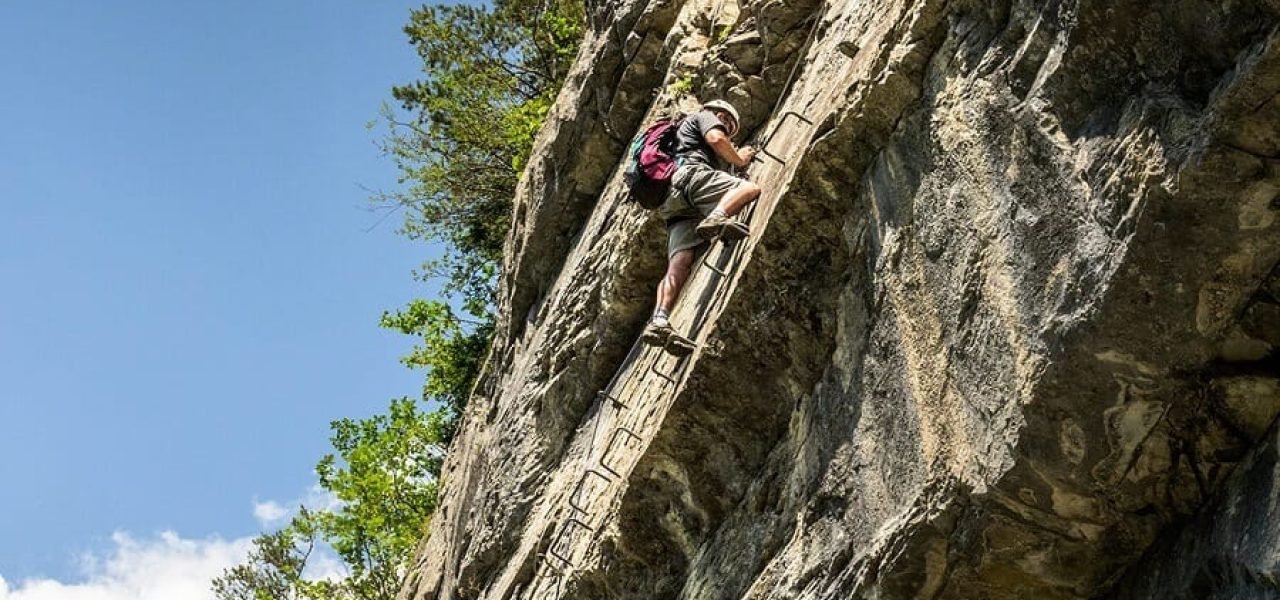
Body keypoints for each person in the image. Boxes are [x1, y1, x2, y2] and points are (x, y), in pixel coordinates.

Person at [641, 100, 761, 351]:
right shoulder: (702, 117)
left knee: (680, 263)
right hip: (690, 178)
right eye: (727, 121)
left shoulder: (678, 139)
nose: (727, 127)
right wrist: (740, 159)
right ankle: (718, 216)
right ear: (718, 113)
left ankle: (659, 320)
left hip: (671, 203)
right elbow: (717, 139)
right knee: (749, 189)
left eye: (731, 126)